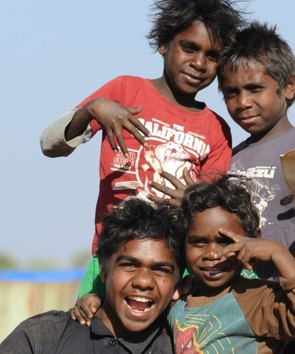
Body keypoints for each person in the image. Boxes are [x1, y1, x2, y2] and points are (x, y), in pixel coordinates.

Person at [40, 0, 244, 296]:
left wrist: (193, 201)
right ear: (164, 43)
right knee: (88, 336)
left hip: (172, 269)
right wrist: (92, 109)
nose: (199, 63)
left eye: (212, 56)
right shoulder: (125, 91)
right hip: (112, 257)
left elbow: (210, 212)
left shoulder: (216, 128)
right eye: (189, 47)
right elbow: (50, 145)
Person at [0, 198, 183, 353]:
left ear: (177, 280)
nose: (144, 281)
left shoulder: (184, 345)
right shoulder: (43, 336)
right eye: (129, 265)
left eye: (161, 270)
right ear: (103, 270)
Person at [169, 175, 295, 353]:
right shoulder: (179, 301)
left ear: (254, 240)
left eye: (226, 242)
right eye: (199, 242)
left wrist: (278, 252)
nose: (212, 254)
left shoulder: (258, 298)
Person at [218, 22, 295, 280]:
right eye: (231, 92)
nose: (243, 102)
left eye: (255, 89)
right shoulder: (229, 158)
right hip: (241, 300)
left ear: (289, 86)